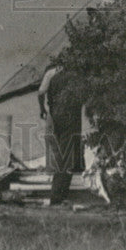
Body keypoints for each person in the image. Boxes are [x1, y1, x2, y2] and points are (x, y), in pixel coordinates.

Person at [38, 64, 84, 206]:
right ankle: (57, 196)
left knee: (63, 154)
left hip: (56, 115)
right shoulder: (77, 76)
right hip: (71, 117)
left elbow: (44, 95)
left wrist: (46, 110)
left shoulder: (53, 75)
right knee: (67, 158)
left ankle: (59, 193)